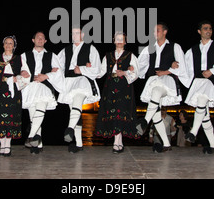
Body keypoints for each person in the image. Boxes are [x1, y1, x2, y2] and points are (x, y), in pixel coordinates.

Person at [137, 22, 190, 152]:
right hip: (153, 79)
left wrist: (166, 71)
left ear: (165, 32)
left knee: (156, 91)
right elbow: (140, 65)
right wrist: (132, 69)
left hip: (167, 80)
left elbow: (182, 66)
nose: (155, 33)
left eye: (158, 30)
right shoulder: (149, 48)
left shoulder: (174, 46)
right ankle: (166, 144)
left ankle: (144, 122)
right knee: (156, 115)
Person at [184, 20, 214, 154]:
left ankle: (193, 131)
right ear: (199, 31)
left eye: (210, 28)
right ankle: (213, 146)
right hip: (199, 82)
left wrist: (212, 70)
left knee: (201, 100)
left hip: (211, 82)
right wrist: (175, 65)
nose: (208, 31)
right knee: (205, 116)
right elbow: (185, 67)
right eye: (205, 28)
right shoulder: (192, 50)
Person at [57, 25, 101, 153]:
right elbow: (57, 65)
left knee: (77, 99)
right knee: (74, 112)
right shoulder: (65, 50)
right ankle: (79, 144)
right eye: (73, 33)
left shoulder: (91, 49)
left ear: (83, 35)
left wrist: (82, 69)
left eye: (77, 33)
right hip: (69, 82)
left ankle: (69, 128)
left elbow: (96, 69)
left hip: (82, 80)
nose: (74, 35)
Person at [95, 32, 141, 153]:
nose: (120, 41)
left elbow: (136, 73)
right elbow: (100, 72)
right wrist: (88, 69)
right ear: (114, 41)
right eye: (117, 39)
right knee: (113, 112)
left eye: (122, 39)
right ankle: (119, 142)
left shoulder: (130, 55)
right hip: (110, 86)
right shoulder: (108, 56)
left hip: (124, 87)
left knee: (120, 112)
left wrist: (126, 72)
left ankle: (116, 143)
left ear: (125, 42)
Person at [0, 36, 29, 156]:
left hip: (13, 90)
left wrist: (18, 77)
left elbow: (27, 75)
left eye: (11, 43)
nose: (8, 45)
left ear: (14, 46)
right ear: (3, 45)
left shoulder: (19, 59)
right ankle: (2, 145)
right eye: (6, 43)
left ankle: (7, 145)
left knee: (10, 117)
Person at [21, 31, 63, 154]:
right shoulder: (24, 55)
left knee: (41, 107)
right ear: (33, 40)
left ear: (45, 41)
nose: (40, 39)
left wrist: (46, 75)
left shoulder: (52, 55)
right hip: (30, 86)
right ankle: (37, 144)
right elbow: (21, 69)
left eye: (42, 38)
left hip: (44, 86)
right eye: (38, 38)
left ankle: (31, 136)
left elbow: (58, 72)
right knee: (33, 116)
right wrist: (25, 74)